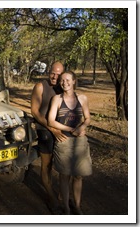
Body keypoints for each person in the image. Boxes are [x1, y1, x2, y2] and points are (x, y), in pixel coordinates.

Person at [47, 71, 92, 215]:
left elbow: (87, 118)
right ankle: (66, 207)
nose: (64, 82)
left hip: (80, 143)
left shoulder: (83, 98)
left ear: (74, 81)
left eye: (67, 80)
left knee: (78, 176)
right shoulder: (56, 99)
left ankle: (77, 206)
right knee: (64, 176)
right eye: (62, 80)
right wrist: (71, 129)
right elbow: (51, 121)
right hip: (64, 142)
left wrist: (82, 127)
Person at [31, 61, 66, 213]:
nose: (55, 76)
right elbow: (35, 111)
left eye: (58, 74)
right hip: (45, 131)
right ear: (48, 71)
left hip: (61, 131)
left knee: (64, 165)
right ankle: (50, 196)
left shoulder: (63, 88)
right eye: (53, 72)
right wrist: (51, 128)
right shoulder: (40, 87)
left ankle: (63, 195)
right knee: (47, 165)